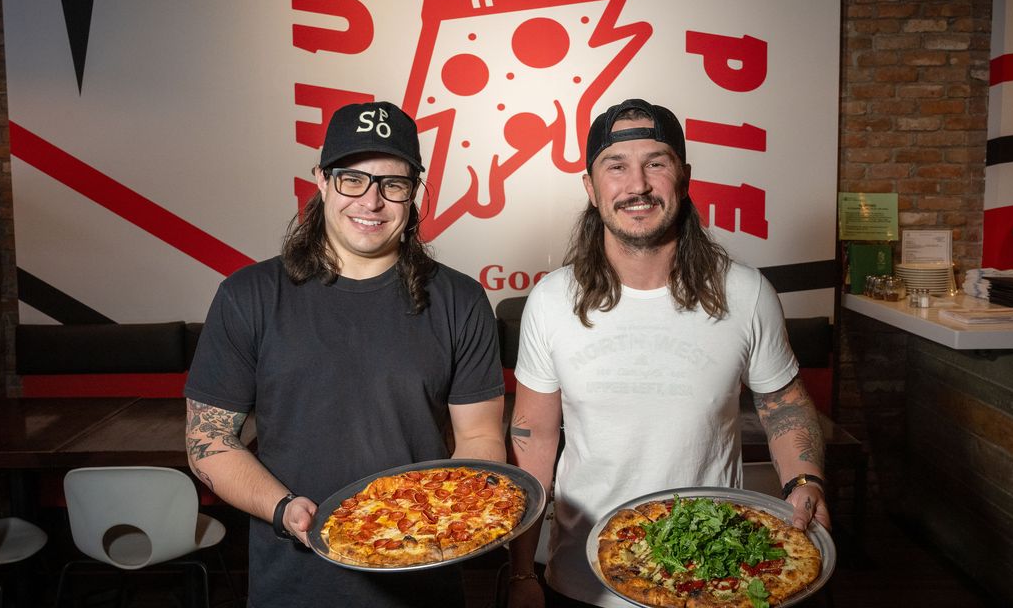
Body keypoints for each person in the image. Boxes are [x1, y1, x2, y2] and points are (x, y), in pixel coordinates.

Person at [507, 98, 829, 608]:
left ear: (684, 177)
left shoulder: (745, 293)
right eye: (616, 166)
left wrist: (806, 481)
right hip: (581, 576)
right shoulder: (551, 300)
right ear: (591, 189)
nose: (637, 185)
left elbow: (783, 405)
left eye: (656, 162)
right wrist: (522, 572)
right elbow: (535, 442)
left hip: (716, 568)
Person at [184, 100, 506, 608]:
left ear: (413, 193)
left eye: (392, 185)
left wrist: (452, 517)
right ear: (321, 180)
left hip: (422, 579)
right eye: (352, 179)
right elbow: (209, 441)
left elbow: (481, 435)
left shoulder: (460, 300)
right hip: (294, 582)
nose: (371, 202)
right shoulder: (248, 295)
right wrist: (284, 508)